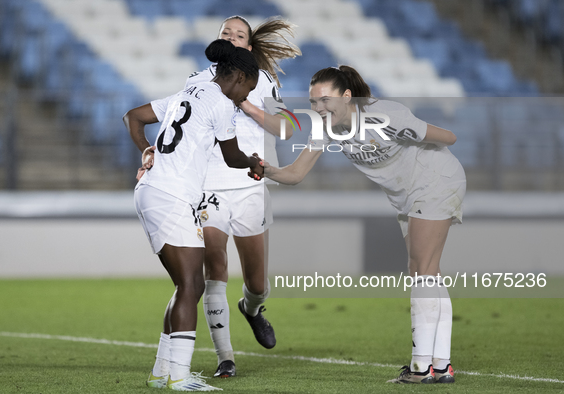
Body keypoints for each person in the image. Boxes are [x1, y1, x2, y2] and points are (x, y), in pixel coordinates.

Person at [260, 66, 466, 384]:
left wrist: (411, 132)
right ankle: (440, 366)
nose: (319, 108)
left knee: (422, 269)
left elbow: (449, 137)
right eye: (314, 102)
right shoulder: (325, 129)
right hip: (408, 196)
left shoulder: (385, 115)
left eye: (325, 100)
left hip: (435, 179)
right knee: (427, 273)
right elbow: (296, 174)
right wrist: (265, 169)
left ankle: (422, 367)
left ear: (346, 96)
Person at [154, 15, 300, 378]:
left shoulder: (262, 80)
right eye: (226, 34)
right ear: (219, 41)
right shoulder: (198, 80)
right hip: (209, 185)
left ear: (249, 47)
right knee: (214, 267)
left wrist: (245, 103)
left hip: (251, 186)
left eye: (240, 35)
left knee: (258, 283)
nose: (233, 38)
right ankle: (225, 359)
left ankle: (251, 309)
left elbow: (285, 129)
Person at [123, 39, 263, 391]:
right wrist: (253, 163)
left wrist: (147, 150)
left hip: (154, 191)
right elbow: (232, 157)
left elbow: (134, 117)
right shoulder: (220, 102)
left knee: (186, 285)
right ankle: (179, 378)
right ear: (240, 77)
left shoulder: (190, 91)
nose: (245, 95)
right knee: (192, 284)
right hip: (170, 195)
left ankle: (162, 373)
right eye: (249, 87)